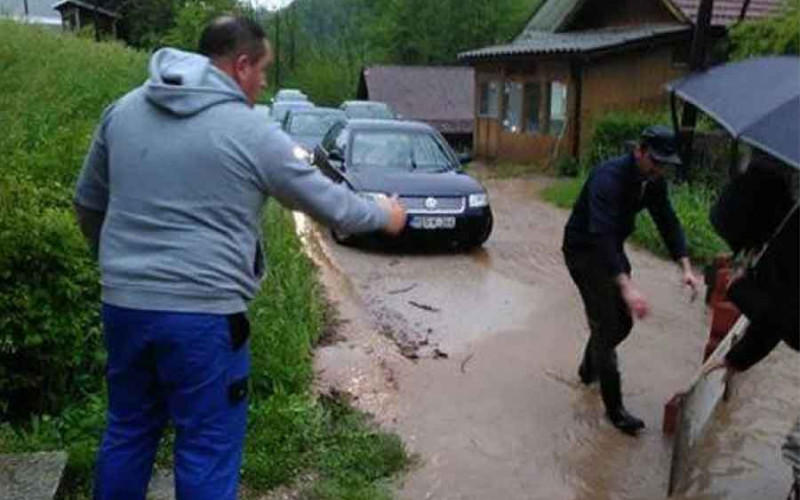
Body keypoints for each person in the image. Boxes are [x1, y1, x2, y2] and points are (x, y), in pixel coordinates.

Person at [72, 16, 406, 500]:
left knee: (128, 431)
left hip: (124, 308)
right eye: (263, 70)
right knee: (206, 448)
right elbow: (330, 205)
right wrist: (384, 213)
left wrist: (122, 267)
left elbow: (88, 204)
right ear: (241, 64)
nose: (265, 82)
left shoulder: (122, 111)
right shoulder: (251, 131)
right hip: (204, 320)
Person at [562, 125, 701, 435]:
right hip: (585, 249)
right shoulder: (607, 178)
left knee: (621, 324)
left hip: (610, 249)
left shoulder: (652, 181)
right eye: (655, 162)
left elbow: (667, 220)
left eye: (665, 165)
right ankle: (615, 411)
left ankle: (588, 368)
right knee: (608, 326)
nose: (659, 170)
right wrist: (626, 286)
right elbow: (602, 235)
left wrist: (686, 267)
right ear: (639, 151)